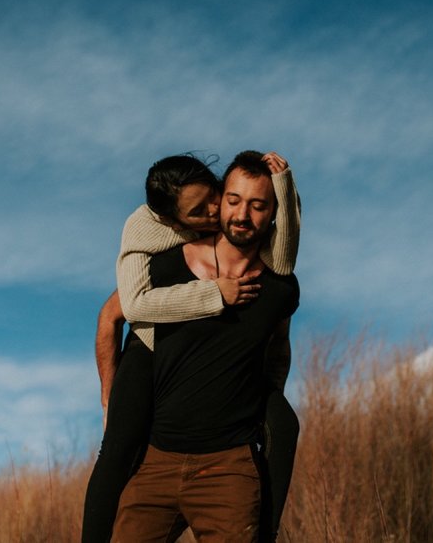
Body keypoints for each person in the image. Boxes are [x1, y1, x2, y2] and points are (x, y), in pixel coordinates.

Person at [81, 152, 300, 543]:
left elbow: (278, 346)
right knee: (115, 452)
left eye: (256, 205)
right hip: (153, 414)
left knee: (284, 424)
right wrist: (107, 400)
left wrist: (261, 397)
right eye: (232, 200)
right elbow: (114, 315)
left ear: (272, 212)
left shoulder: (279, 286)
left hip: (227, 464)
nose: (231, 213)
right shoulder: (163, 261)